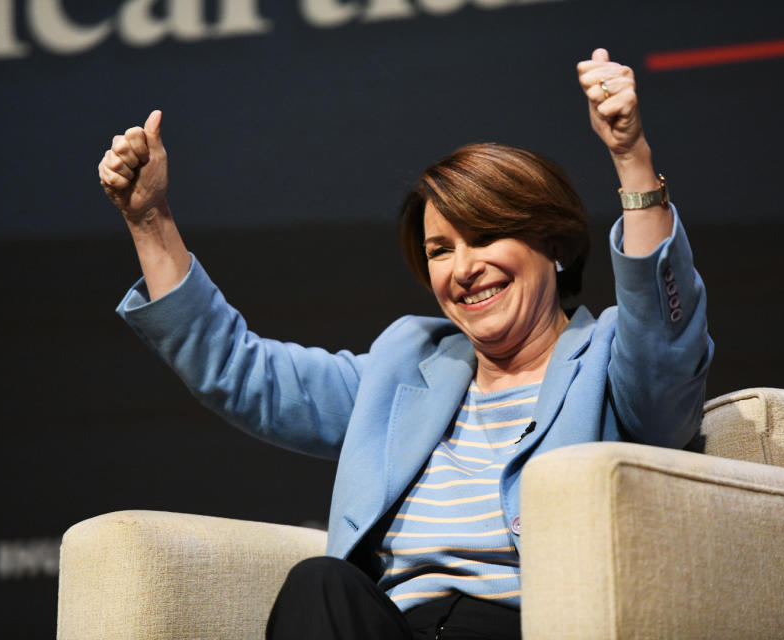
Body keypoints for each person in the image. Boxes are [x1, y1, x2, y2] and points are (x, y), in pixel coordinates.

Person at [98, 48, 712, 640]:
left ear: (552, 244)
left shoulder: (608, 360)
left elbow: (664, 339)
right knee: (324, 586)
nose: (463, 268)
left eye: (485, 236)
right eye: (440, 250)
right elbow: (239, 372)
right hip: (391, 627)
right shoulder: (408, 364)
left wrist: (631, 158)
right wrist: (150, 222)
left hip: (535, 625)